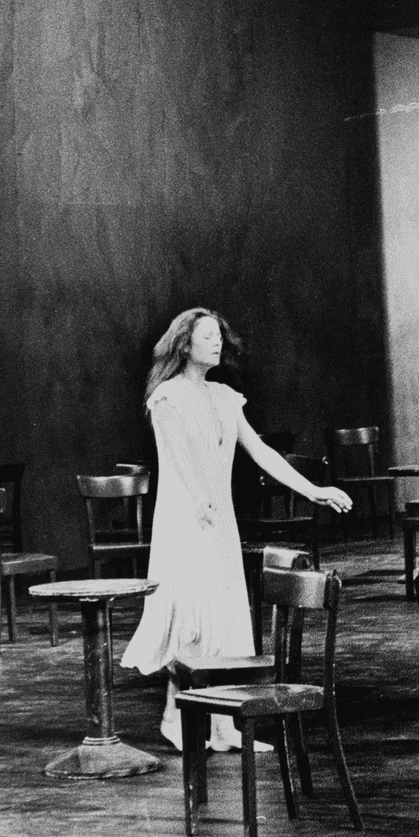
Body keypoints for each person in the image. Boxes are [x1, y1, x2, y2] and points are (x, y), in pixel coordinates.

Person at [120, 307, 354, 753]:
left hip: (218, 522)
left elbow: (262, 453)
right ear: (184, 344)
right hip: (184, 524)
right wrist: (199, 500)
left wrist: (314, 490)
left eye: (218, 337)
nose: (216, 343)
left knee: (223, 617)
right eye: (206, 336)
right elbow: (178, 461)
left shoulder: (226, 397)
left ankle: (224, 725)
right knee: (190, 617)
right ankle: (176, 715)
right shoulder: (166, 397)